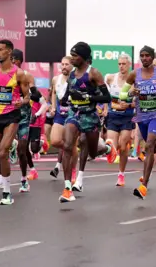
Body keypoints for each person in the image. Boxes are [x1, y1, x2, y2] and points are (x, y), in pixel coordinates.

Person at [59, 42, 116, 203]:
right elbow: (70, 90)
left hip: (90, 115)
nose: (71, 59)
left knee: (91, 152)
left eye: (75, 56)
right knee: (68, 145)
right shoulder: (71, 73)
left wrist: (86, 97)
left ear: (83, 57)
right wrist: (64, 99)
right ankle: (68, 188)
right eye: (71, 55)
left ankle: (107, 148)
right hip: (74, 113)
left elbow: (107, 98)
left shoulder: (94, 74)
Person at [117, 46, 156, 199]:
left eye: (147, 56)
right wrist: (131, 93)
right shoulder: (134, 74)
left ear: (152, 58)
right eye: (142, 56)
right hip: (141, 116)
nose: (145, 58)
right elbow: (122, 94)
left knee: (148, 145)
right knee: (151, 147)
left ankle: (144, 185)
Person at [0, 40, 30, 205]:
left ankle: (7, 193)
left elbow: (27, 96)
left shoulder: (19, 74)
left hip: (11, 116)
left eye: (1, 50)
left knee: (2, 154)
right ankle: (11, 147)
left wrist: (21, 102)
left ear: (9, 52)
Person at [11, 48, 42, 189]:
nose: (11, 61)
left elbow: (34, 94)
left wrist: (34, 95)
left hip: (24, 114)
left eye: (14, 59)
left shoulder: (27, 76)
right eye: (10, 58)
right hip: (8, 114)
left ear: (19, 61)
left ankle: (24, 180)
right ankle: (2, 178)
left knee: (22, 148)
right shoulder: (5, 75)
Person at [105, 53, 135, 187]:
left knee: (123, 147)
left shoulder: (134, 81)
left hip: (127, 117)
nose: (121, 66)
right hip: (113, 116)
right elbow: (106, 95)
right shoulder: (111, 78)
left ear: (129, 65)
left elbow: (140, 101)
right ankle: (112, 151)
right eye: (119, 64)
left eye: (124, 64)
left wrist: (129, 104)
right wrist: (106, 107)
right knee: (111, 144)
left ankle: (121, 174)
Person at [49, 56, 75, 179]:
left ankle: (73, 171)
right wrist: (53, 107)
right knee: (54, 141)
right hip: (60, 114)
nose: (64, 67)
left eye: (67, 64)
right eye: (62, 64)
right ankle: (72, 150)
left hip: (73, 115)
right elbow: (54, 93)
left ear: (72, 66)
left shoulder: (76, 79)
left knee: (70, 143)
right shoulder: (56, 79)